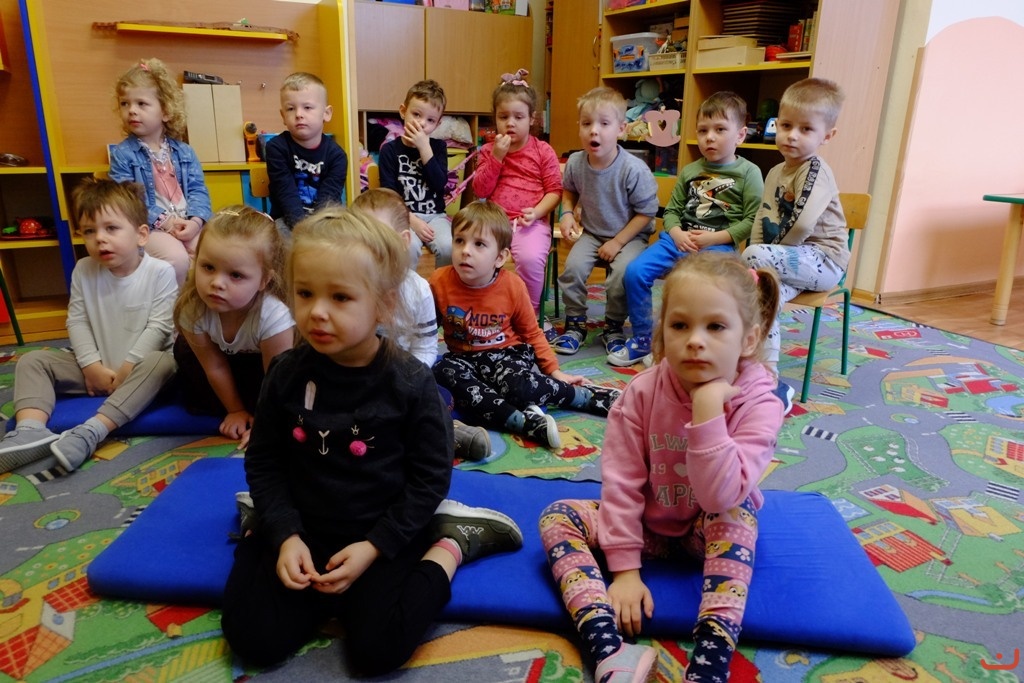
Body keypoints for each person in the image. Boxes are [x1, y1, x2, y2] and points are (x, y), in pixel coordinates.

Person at [219, 208, 523, 676]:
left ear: (382, 304)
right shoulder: (285, 373)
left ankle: (453, 543)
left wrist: (376, 546)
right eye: (305, 293)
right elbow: (265, 461)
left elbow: (429, 479)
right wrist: (285, 535)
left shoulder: (411, 383)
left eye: (340, 297)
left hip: (382, 530)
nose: (317, 311)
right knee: (252, 638)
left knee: (378, 651)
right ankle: (261, 524)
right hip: (305, 526)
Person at [538, 251, 785, 683]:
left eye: (715, 326)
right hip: (648, 528)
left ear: (749, 339)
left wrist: (707, 411)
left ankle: (709, 663)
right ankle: (608, 649)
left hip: (706, 530)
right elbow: (621, 482)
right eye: (680, 325)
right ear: (661, 332)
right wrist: (625, 572)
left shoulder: (760, 402)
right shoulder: (641, 393)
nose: (695, 340)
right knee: (557, 516)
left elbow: (720, 495)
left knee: (738, 511)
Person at [0, 178, 177, 474]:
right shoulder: (84, 269)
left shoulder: (160, 272)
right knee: (33, 361)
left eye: (111, 228)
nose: (100, 239)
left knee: (164, 363)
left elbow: (159, 328)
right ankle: (30, 430)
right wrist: (90, 366)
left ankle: (91, 431)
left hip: (140, 373)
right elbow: (77, 320)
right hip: (97, 372)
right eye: (89, 231)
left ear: (141, 235)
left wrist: (127, 369)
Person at [430, 200, 621, 451]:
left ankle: (585, 397)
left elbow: (532, 333)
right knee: (441, 372)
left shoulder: (512, 286)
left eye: (479, 244)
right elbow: (426, 330)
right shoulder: (439, 281)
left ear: (500, 257)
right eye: (459, 241)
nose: (465, 251)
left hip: (506, 355)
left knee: (517, 386)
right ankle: (523, 422)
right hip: (463, 358)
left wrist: (555, 372)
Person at [610, 91, 764, 368]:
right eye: (703, 130)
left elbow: (751, 220)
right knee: (635, 272)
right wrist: (677, 233)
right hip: (677, 241)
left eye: (720, 130)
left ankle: (696, 343)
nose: (710, 137)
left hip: (718, 247)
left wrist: (713, 238)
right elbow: (671, 211)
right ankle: (644, 339)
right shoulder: (691, 170)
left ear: (740, 135)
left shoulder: (749, 173)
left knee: (703, 291)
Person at [350, 189, 491, 461]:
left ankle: (442, 432)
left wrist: (405, 379)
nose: (366, 247)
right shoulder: (346, 287)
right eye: (357, 238)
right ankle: (428, 434)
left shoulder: (418, 290)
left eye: (376, 237)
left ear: (403, 241)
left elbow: (426, 347)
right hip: (356, 379)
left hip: (402, 377)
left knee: (439, 396)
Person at [742, 78, 848, 407]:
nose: (791, 135)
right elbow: (762, 218)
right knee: (761, 294)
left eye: (806, 129)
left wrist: (754, 258)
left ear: (827, 136)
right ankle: (768, 379)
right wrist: (755, 265)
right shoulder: (776, 171)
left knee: (752, 260)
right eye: (786, 125)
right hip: (787, 261)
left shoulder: (815, 170)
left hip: (823, 260)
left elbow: (801, 224)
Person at [172, 205, 293, 450]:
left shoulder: (273, 314)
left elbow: (277, 378)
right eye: (208, 267)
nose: (217, 283)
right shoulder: (193, 308)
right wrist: (235, 410)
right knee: (183, 350)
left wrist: (267, 423)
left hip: (268, 371)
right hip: (226, 367)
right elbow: (214, 366)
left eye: (236, 275)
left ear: (264, 280)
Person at [551, 86, 660, 357]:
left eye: (604, 124)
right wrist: (567, 213)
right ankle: (575, 324)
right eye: (587, 123)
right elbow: (569, 190)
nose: (594, 131)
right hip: (593, 233)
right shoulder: (576, 162)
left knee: (619, 276)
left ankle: (613, 326)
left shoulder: (633, 169)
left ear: (621, 129)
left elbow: (646, 213)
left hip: (630, 236)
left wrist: (617, 242)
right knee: (572, 269)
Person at [108, 57, 212, 286]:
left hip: (187, 223)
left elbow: (198, 190)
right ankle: (171, 307)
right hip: (149, 227)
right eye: (125, 104)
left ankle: (200, 304)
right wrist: (167, 222)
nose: (131, 111)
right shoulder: (123, 154)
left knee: (213, 255)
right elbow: (130, 201)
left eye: (141, 104)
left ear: (165, 111)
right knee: (177, 260)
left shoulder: (184, 152)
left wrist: (195, 222)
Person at [471, 68, 562, 315]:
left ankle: (529, 314)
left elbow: (555, 191)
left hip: (529, 223)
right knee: (474, 254)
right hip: (495, 222)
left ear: (532, 119)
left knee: (531, 259)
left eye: (518, 117)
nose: (510, 123)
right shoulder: (489, 150)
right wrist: (496, 157)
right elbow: (480, 190)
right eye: (503, 116)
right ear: (495, 118)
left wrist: (537, 212)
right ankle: (485, 307)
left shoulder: (543, 151)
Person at [378, 79, 453, 267]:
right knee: (407, 247)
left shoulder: (438, 147)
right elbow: (389, 194)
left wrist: (424, 148)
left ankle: (440, 285)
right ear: (403, 111)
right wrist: (411, 219)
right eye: (416, 114)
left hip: (435, 216)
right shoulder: (389, 150)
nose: (421, 123)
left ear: (438, 124)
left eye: (430, 120)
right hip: (403, 215)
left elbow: (439, 184)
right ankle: (407, 286)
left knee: (448, 247)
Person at [265, 72, 348, 235]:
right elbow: (286, 196)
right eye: (290, 108)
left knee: (347, 238)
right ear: (283, 116)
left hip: (325, 219)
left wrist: (316, 231)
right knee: (283, 239)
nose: (298, 114)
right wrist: (304, 231)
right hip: (287, 220)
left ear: (326, 113)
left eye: (307, 107)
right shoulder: (276, 148)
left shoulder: (337, 156)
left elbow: (328, 200)